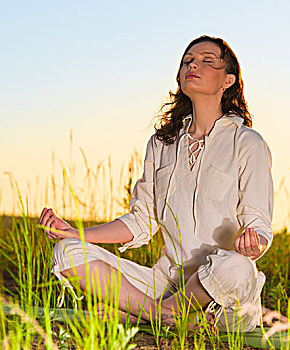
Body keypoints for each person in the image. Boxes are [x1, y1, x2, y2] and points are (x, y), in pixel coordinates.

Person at [39, 35, 273, 332]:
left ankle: (142, 313)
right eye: (188, 61)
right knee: (67, 252)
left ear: (227, 80)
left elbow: (260, 225)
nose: (193, 65)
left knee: (238, 268)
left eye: (206, 60)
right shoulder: (162, 144)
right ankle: (167, 317)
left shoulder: (247, 143)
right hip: (165, 283)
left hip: (223, 294)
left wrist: (253, 246)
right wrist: (75, 232)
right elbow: (141, 221)